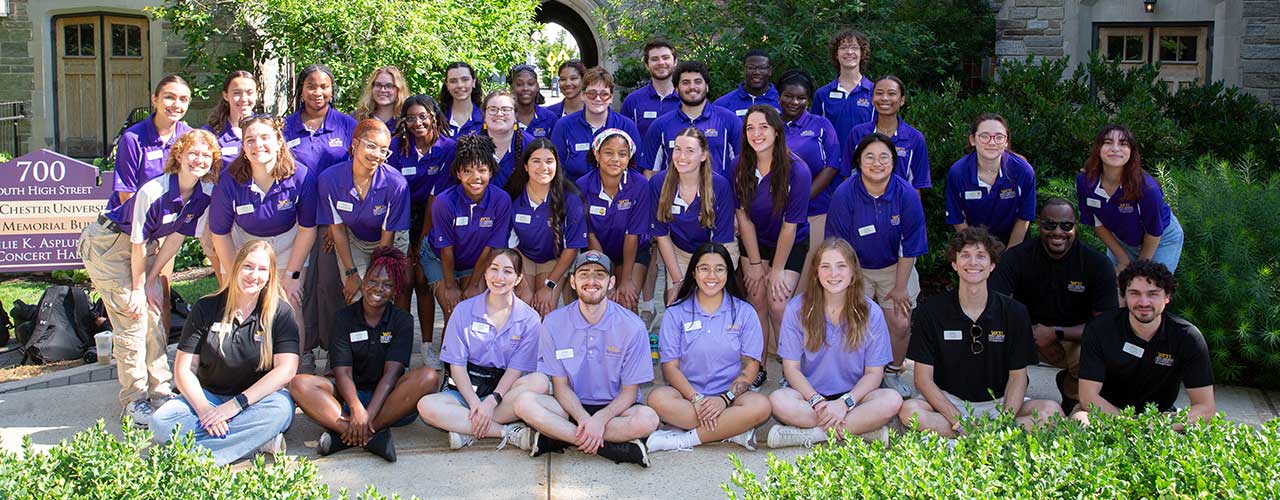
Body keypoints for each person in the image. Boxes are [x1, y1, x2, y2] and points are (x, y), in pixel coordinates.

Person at [80, 129, 218, 428]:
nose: (200, 159)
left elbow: (176, 236)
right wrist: (138, 288)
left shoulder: (203, 194)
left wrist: (153, 279)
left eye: (206, 155)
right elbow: (137, 244)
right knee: (133, 317)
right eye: (193, 153)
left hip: (148, 249)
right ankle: (134, 399)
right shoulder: (152, 192)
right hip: (111, 245)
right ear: (178, 155)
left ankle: (160, 390)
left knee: (155, 315)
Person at [899, 228, 1062, 436]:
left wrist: (1005, 419)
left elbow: (1018, 377)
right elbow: (922, 379)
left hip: (1000, 402)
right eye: (965, 256)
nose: (973, 262)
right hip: (950, 402)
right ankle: (984, 437)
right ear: (954, 264)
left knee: (1051, 411)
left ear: (992, 265)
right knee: (910, 411)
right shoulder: (931, 312)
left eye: (981, 256)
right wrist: (958, 420)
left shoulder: (1014, 312)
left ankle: (992, 433)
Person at [150, 240, 299, 465]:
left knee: (280, 410)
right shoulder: (206, 307)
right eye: (248, 266)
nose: (254, 275)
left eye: (262, 269)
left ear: (270, 275)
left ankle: (196, 459)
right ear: (236, 267)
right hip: (210, 397)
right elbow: (183, 370)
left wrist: (235, 406)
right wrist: (204, 411)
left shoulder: (281, 312)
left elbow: (286, 370)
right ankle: (255, 443)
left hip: (257, 401)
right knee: (161, 422)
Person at [510, 251, 660, 466]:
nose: (591, 281)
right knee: (523, 402)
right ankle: (610, 448)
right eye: (584, 274)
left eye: (600, 274)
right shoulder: (553, 323)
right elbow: (560, 387)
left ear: (611, 282)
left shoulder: (633, 326)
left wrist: (600, 419)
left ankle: (558, 438)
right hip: (570, 407)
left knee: (648, 419)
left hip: (616, 410)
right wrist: (583, 419)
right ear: (572, 281)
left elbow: (630, 392)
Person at [289, 247, 438, 461]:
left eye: (387, 285)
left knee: (429, 376)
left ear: (395, 290)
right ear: (363, 280)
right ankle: (367, 436)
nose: (378, 288)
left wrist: (366, 415)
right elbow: (342, 372)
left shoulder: (403, 320)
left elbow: (391, 376)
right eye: (373, 281)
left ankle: (350, 434)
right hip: (348, 395)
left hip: (388, 400)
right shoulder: (343, 317)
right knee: (298, 384)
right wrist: (356, 407)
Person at [766, 239, 904, 448]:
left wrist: (845, 403)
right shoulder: (796, 309)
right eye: (825, 267)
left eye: (841, 266)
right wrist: (817, 401)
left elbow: (874, 374)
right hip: (810, 398)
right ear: (816, 273)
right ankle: (860, 432)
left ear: (853, 273)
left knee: (892, 400)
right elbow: (791, 370)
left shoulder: (871, 312)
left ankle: (814, 435)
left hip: (855, 398)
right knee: (778, 400)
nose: (834, 274)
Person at [989, 198, 1118, 412]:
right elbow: (995, 306)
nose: (1058, 232)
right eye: (1049, 225)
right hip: (1023, 334)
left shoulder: (1096, 264)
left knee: (1097, 353)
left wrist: (1055, 333)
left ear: (1076, 226)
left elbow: (1106, 326)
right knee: (990, 336)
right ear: (1039, 224)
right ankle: (1006, 393)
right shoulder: (1016, 257)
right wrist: (1033, 335)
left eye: (1066, 226)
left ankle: (1072, 394)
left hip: (1073, 337)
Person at [208, 115, 317, 367]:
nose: (258, 145)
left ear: (279, 141)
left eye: (265, 138)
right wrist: (232, 275)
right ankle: (245, 367)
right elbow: (220, 233)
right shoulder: (229, 180)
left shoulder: (301, 176)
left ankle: (292, 371)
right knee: (242, 304)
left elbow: (308, 229)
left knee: (290, 303)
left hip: (290, 242)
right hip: (244, 243)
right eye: (250, 140)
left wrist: (292, 274)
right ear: (243, 148)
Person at [826, 133, 927, 398]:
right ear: (858, 161)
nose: (877, 163)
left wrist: (900, 287)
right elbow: (838, 245)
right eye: (869, 156)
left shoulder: (906, 194)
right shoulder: (844, 193)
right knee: (847, 317)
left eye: (884, 156)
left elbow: (911, 244)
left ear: (894, 162)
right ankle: (855, 373)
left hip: (896, 265)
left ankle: (892, 372)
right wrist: (850, 284)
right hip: (854, 266)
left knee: (900, 321)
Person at [417, 249, 550, 449]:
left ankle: (467, 428)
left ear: (518, 278)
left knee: (539, 382)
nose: (499, 277)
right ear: (485, 273)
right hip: (466, 388)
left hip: (503, 392)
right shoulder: (463, 311)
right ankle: (506, 432)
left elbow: (516, 369)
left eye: (507, 271)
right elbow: (457, 366)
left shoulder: (530, 319)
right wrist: (474, 404)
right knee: (426, 406)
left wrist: (491, 402)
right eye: (494, 269)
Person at [644, 243, 771, 452]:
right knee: (657, 399)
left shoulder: (745, 312)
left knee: (762, 406)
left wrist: (724, 399)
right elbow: (670, 368)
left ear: (728, 273)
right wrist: (697, 399)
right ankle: (731, 430)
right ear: (694, 273)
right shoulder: (676, 312)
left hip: (731, 398)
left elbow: (750, 366)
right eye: (704, 268)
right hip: (688, 397)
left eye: (719, 269)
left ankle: (684, 440)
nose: (712, 275)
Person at [1072, 260, 1215, 427]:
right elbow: (1088, 398)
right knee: (1080, 421)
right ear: (1124, 295)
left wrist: (1164, 427)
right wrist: (1130, 425)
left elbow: (1205, 407)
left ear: (1167, 296)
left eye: (1153, 294)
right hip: (1107, 412)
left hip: (1162, 418)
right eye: (1134, 293)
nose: (1144, 302)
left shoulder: (1187, 337)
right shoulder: (1099, 329)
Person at [283, 64, 357, 374]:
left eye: (324, 86)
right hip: (294, 222)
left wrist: (335, 222)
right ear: (301, 90)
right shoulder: (285, 128)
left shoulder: (346, 126)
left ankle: (331, 350)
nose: (318, 92)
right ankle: (303, 349)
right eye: (311, 85)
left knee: (328, 287)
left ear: (332, 90)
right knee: (297, 285)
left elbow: (356, 174)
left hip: (331, 223)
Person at [733, 105, 811, 368]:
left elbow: (790, 225)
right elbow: (743, 218)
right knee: (756, 302)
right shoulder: (739, 167)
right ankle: (758, 367)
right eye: (750, 128)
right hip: (755, 243)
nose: (756, 133)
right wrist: (755, 265)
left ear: (777, 131)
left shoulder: (797, 170)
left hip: (790, 243)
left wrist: (776, 270)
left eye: (763, 127)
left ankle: (794, 369)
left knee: (778, 305)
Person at [385, 94, 456, 353]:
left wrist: (422, 242)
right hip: (400, 217)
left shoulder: (448, 148)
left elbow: (436, 199)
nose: (418, 123)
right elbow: (394, 193)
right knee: (403, 283)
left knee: (424, 280)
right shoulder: (396, 148)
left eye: (423, 116)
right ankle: (401, 346)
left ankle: (427, 346)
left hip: (434, 217)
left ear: (434, 116)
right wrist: (406, 242)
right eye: (411, 118)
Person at [316, 119, 412, 307]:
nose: (377, 154)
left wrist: (375, 276)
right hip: (353, 239)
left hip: (388, 241)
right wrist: (351, 273)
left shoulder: (396, 184)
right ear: (355, 144)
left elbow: (388, 237)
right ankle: (359, 336)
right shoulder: (329, 180)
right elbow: (338, 230)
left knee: (379, 293)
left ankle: (385, 335)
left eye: (383, 150)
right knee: (356, 295)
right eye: (371, 146)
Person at [424, 134, 513, 335]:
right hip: (438, 258)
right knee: (453, 310)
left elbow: (492, 246)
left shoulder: (501, 200)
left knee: (473, 308)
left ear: (491, 170)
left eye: (482, 170)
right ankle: (448, 362)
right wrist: (450, 286)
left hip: (475, 260)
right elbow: (445, 249)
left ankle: (472, 359)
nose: (476, 178)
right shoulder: (444, 202)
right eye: (468, 171)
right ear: (458, 173)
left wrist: (474, 283)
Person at [1077, 124, 1184, 273]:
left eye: (1123, 144)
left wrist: (1138, 270)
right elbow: (1097, 223)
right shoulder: (1085, 181)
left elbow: (1154, 232)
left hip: (1160, 239)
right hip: (1122, 241)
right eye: (1108, 142)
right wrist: (1122, 260)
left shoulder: (1147, 189)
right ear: (1098, 149)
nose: (1115, 148)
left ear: (1131, 152)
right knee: (1117, 290)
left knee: (1150, 287)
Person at [651, 127, 738, 304]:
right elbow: (661, 234)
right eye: (677, 149)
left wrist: (707, 274)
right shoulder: (658, 183)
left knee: (710, 299)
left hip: (717, 248)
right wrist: (677, 281)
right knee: (676, 301)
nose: (682, 157)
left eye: (690, 151)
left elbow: (721, 241)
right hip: (678, 251)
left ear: (703, 155)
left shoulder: (719, 186)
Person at [505, 139, 588, 316]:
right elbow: (508, 244)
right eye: (536, 161)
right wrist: (522, 284)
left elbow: (572, 248)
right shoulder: (513, 196)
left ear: (557, 165)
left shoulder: (571, 199)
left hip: (555, 258)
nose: (543, 167)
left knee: (545, 305)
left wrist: (549, 286)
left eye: (549, 161)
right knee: (523, 304)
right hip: (523, 255)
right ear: (526, 166)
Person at [575, 129, 653, 311]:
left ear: (629, 158)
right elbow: (590, 234)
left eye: (622, 154)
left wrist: (625, 280)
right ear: (597, 154)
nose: (615, 159)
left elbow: (632, 235)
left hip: (633, 250)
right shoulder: (582, 185)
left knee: (627, 299)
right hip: (597, 250)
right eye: (609, 153)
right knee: (603, 299)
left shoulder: (639, 184)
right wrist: (606, 274)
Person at [776, 69, 841, 281]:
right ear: (779, 96)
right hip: (775, 215)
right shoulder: (769, 125)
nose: (794, 102)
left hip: (815, 212)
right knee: (778, 277)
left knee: (811, 275)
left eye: (801, 98)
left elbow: (831, 166)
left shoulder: (821, 126)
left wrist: (801, 199)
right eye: (788, 96)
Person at [944, 113, 1037, 248]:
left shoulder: (1023, 171)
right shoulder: (958, 172)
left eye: (999, 137)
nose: (992, 142)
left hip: (1015, 241)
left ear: (1006, 142)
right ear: (972, 140)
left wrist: (1009, 257)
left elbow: (1024, 218)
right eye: (984, 136)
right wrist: (977, 252)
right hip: (973, 240)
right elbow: (957, 218)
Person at [639, 61, 742, 177]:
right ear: (677, 89)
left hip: (718, 194)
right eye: (685, 83)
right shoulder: (661, 125)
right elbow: (650, 172)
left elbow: (742, 167)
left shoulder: (729, 120)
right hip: (674, 194)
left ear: (707, 87)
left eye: (698, 82)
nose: (692, 87)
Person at [109, 74, 194, 210]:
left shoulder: (190, 137)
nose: (177, 104)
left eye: (183, 100)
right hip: (134, 219)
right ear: (155, 100)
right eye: (169, 97)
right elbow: (126, 195)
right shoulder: (133, 138)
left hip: (172, 219)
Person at [549, 66, 642, 180]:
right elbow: (556, 169)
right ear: (583, 95)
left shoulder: (626, 126)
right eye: (592, 93)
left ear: (611, 98)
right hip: (575, 194)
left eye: (604, 94)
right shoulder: (564, 126)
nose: (598, 99)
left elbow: (635, 167)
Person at [846, 76, 931, 193]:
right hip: (862, 206)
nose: (884, 98)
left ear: (902, 100)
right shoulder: (858, 134)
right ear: (872, 98)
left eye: (891, 94)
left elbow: (917, 186)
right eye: (879, 93)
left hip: (900, 207)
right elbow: (847, 175)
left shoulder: (915, 138)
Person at [812, 29, 874, 153]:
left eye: (854, 48)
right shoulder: (822, 94)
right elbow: (814, 133)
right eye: (844, 47)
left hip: (865, 166)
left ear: (862, 53)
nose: (849, 52)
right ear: (836, 54)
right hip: (831, 167)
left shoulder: (875, 92)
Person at [621, 39, 680, 136]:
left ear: (675, 62)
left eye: (665, 57)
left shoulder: (687, 99)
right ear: (647, 65)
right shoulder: (632, 101)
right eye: (654, 59)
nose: (661, 62)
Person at [480, 90, 536, 189]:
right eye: (493, 109)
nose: (499, 114)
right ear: (484, 115)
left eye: (505, 109)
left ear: (515, 116)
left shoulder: (531, 146)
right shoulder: (470, 146)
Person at [203, 70, 257, 168]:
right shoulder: (209, 134)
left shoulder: (268, 130)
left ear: (256, 94)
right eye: (237, 93)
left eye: (249, 93)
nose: (244, 99)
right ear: (226, 95)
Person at [714, 49, 780, 116]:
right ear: (744, 70)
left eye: (762, 68)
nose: (756, 72)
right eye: (751, 67)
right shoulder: (722, 104)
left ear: (770, 71)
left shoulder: (781, 102)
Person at [353, 66, 410, 131]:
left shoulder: (407, 121)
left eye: (389, 86)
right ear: (372, 88)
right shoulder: (357, 118)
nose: (382, 90)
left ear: (399, 89)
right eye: (378, 85)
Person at [509, 64, 558, 138]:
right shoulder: (505, 116)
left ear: (537, 87)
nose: (525, 88)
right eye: (519, 84)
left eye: (530, 84)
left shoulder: (550, 118)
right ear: (512, 88)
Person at [439, 62, 485, 137]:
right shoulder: (437, 119)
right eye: (453, 81)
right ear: (447, 85)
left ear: (473, 82)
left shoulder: (485, 117)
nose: (460, 85)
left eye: (465, 79)